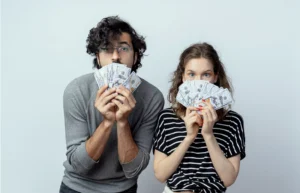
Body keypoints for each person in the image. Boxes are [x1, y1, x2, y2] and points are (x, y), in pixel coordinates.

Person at [59, 16, 164, 193]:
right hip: (76, 187)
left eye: (123, 48)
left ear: (135, 56)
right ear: (98, 58)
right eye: (107, 49)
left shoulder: (152, 97)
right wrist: (107, 123)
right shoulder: (77, 90)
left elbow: (134, 169)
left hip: (123, 188)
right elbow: (78, 165)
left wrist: (122, 122)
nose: (115, 57)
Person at [153, 43, 246, 193]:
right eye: (191, 74)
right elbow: (160, 174)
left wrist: (208, 135)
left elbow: (228, 179)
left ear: (215, 77)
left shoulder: (233, 121)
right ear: (183, 77)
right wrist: (189, 137)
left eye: (206, 74)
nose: (198, 82)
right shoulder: (167, 118)